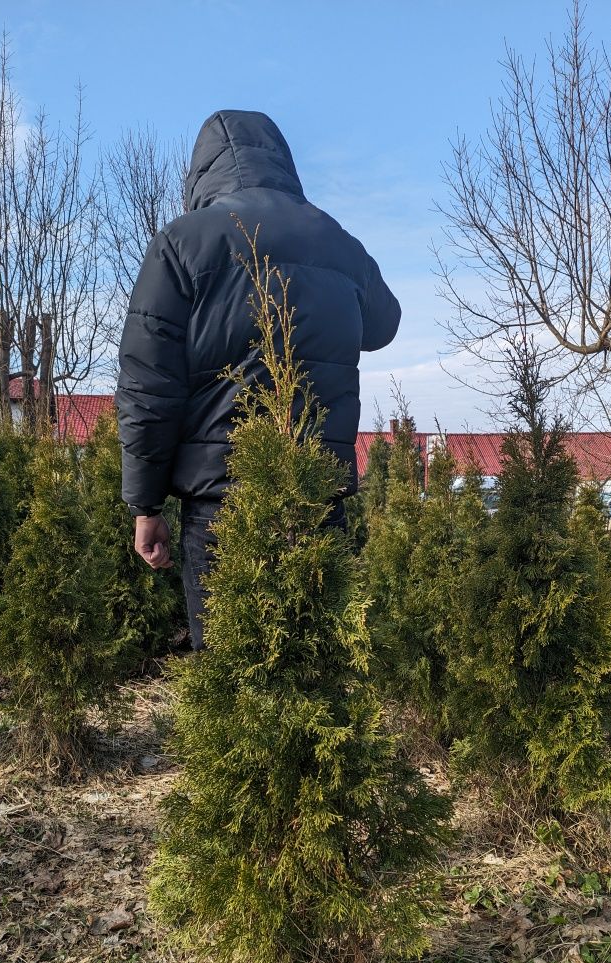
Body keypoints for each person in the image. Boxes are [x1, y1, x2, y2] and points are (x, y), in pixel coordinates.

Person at [116, 109, 401, 649]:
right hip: (317, 498)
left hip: (221, 505)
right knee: (319, 674)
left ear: (201, 173)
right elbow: (384, 325)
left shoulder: (180, 243)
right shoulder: (338, 242)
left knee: (232, 690)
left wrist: (145, 507)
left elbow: (148, 388)